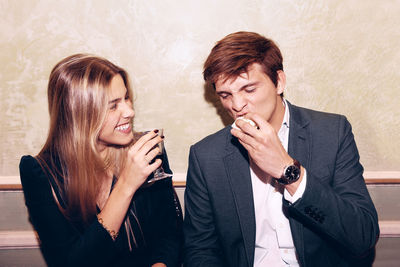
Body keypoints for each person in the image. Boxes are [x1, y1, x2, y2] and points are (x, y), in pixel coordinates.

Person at [183, 32, 379, 267]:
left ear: (279, 82)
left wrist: (288, 171)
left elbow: (362, 237)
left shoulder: (332, 133)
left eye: (249, 89)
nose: (236, 105)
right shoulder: (206, 156)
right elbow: (200, 250)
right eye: (226, 95)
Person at [19, 54, 183, 267]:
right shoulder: (40, 173)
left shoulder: (147, 149)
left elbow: (170, 232)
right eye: (113, 106)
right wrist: (126, 185)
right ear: (79, 113)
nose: (130, 111)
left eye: (126, 98)